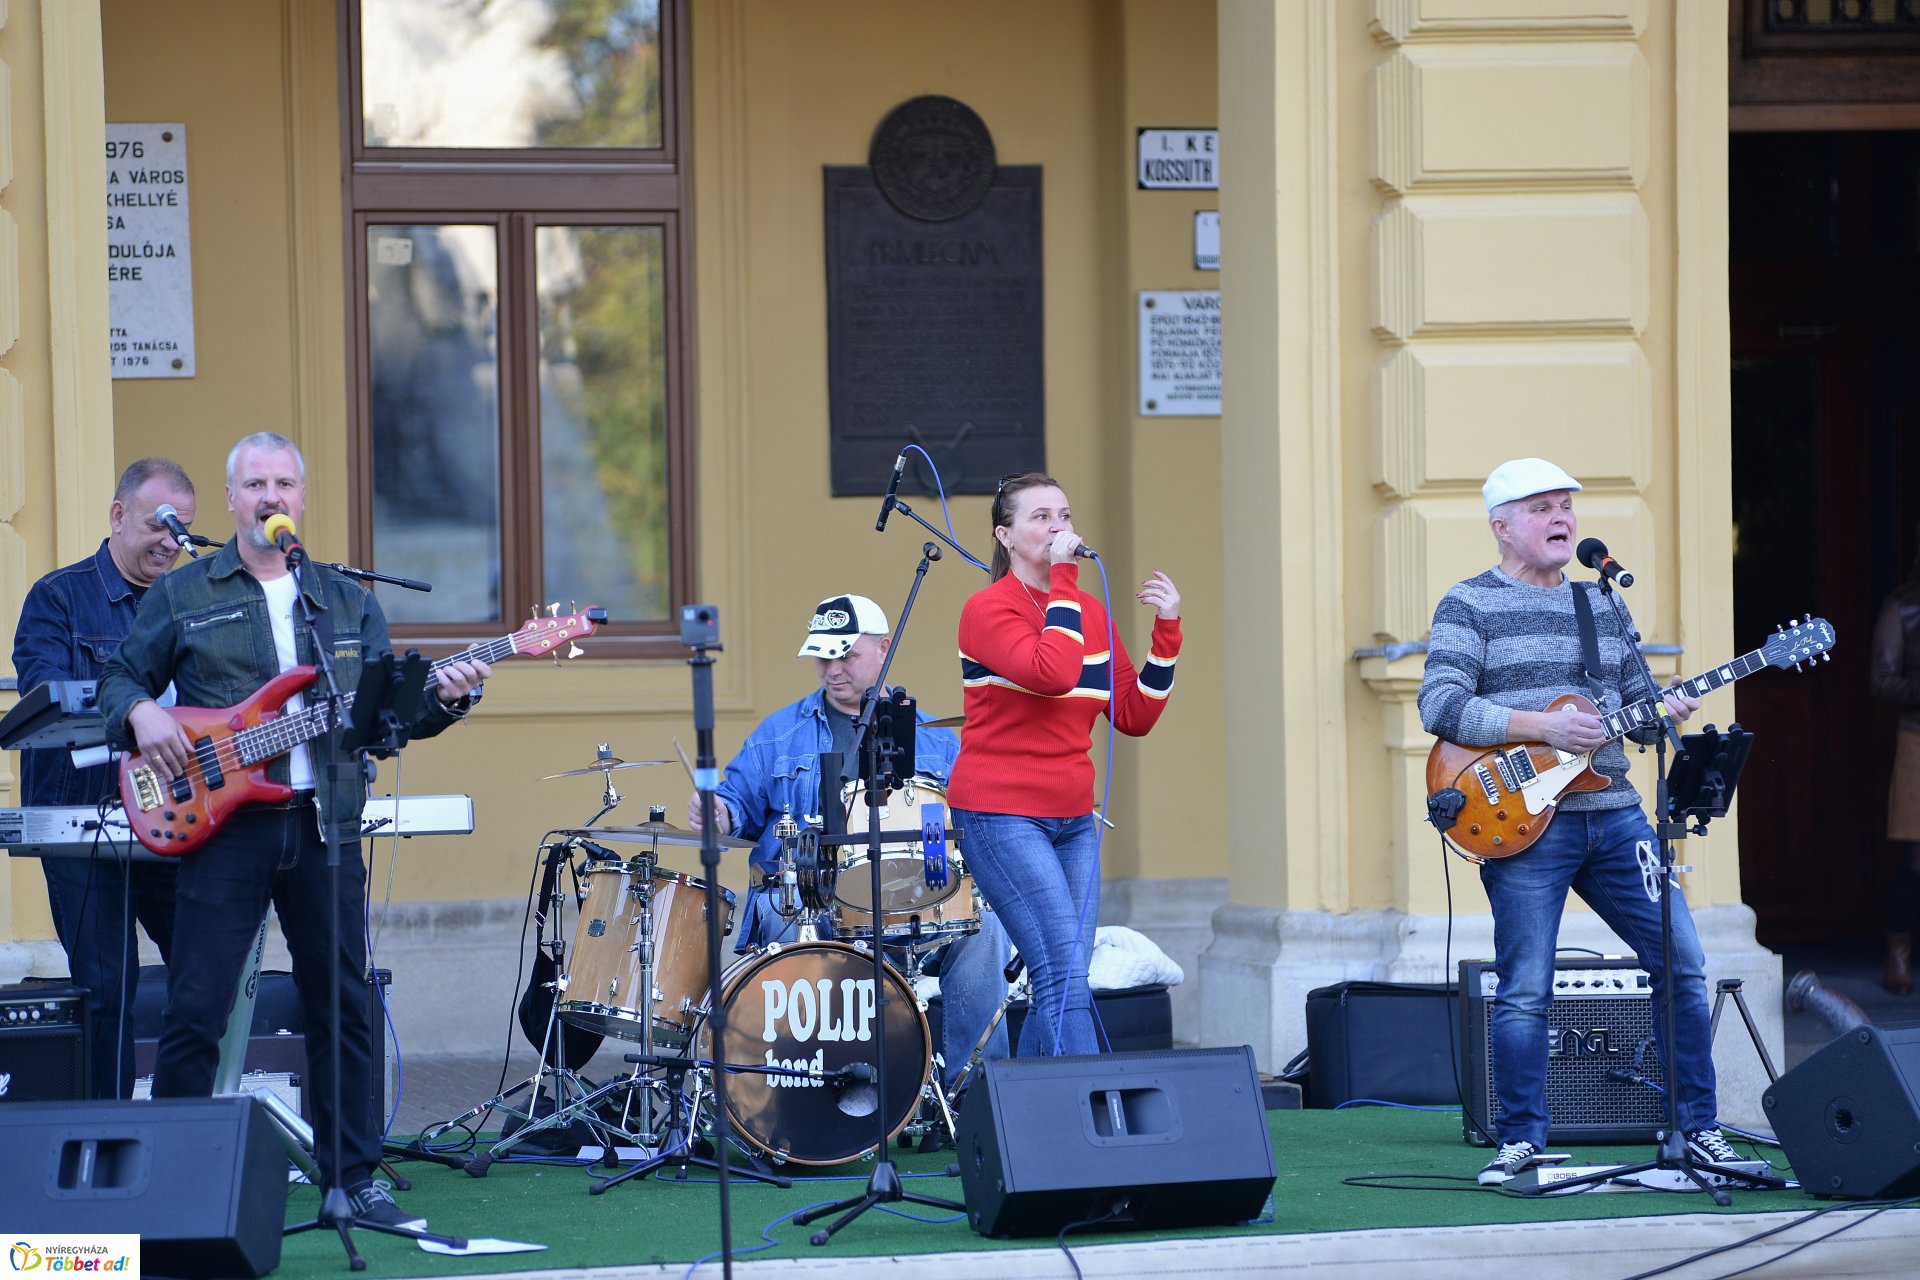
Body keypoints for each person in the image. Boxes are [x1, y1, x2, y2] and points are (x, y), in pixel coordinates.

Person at [98, 432, 488, 1230]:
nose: (270, 497)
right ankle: (169, 1183)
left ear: (300, 499)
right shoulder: (185, 592)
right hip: (227, 824)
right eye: (254, 485)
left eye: (283, 483)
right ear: (234, 498)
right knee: (198, 1004)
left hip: (325, 823)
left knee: (340, 1002)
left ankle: (354, 1179)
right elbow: (119, 678)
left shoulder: (344, 601)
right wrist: (139, 712)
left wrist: (445, 698)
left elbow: (385, 719)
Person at [1418, 456, 1740, 1184]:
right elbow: (1440, 706)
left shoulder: (1603, 604)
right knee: (1526, 984)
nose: (1562, 518)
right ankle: (1522, 1140)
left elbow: (1638, 713)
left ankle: (1699, 1130)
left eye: (1566, 505)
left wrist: (1667, 712)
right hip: (1522, 819)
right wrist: (1541, 725)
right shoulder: (1469, 604)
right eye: (1541, 508)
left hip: (1616, 815)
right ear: (1502, 527)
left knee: (1682, 963)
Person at [689, 592, 1012, 1086]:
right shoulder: (778, 735)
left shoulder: (937, 741)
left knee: (984, 932)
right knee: (780, 913)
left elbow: (969, 830)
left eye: (847, 655)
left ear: (884, 649)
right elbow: (735, 807)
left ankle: (975, 1096)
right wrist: (719, 812)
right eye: (823, 656)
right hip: (807, 901)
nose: (832, 669)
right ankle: (801, 1091)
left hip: (911, 900)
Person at [946, 473, 1183, 1058]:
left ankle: (1029, 1129)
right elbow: (1050, 673)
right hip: (1001, 813)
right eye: (1041, 517)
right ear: (1005, 535)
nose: (1059, 527)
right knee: (1060, 970)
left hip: (1074, 817)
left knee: (1064, 974)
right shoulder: (986, 609)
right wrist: (1065, 578)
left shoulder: (1087, 611)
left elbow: (1133, 714)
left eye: (1065, 515)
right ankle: (1085, 1123)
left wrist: (1167, 635)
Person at [12, 457, 198, 1099]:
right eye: (158, 525)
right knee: (106, 995)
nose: (171, 543)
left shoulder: (193, 602)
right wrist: (138, 711)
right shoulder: (58, 597)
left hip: (179, 816)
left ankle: (185, 1131)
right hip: (85, 829)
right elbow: (47, 699)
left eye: (183, 529)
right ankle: (110, 1144)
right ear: (118, 516)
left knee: (208, 984)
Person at [1870, 541, 1920, 995]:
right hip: (1917, 735)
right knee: (1915, 857)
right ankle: (1898, 952)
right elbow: (1881, 679)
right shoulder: (1902, 606)